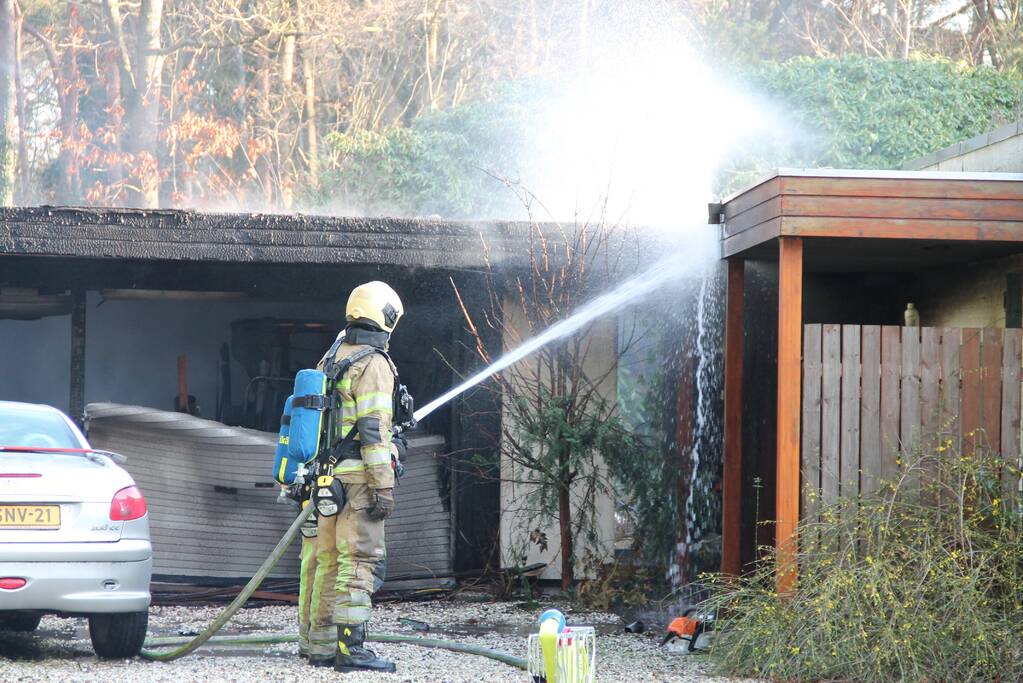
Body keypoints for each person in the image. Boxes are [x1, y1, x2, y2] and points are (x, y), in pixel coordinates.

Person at [298, 281, 404, 673]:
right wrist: (384, 486)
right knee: (359, 560)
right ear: (387, 317)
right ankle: (351, 650)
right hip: (357, 480)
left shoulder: (332, 356)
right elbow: (374, 430)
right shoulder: (373, 363)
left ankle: (319, 646)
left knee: (324, 561)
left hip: (325, 481)